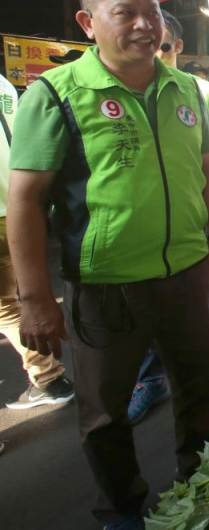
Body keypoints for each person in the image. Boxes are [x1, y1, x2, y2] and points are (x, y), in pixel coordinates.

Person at [8, 0, 209, 529]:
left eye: (151, 12)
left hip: (185, 275)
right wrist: (35, 298)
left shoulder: (187, 90)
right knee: (104, 416)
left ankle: (202, 489)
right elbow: (26, 200)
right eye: (124, 12)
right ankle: (122, 511)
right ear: (88, 21)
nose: (143, 25)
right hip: (106, 287)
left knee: (201, 390)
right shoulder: (56, 95)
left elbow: (206, 171)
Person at [124, 11, 209, 424]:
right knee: (143, 316)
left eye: (164, 44)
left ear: (177, 47)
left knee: (201, 310)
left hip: (190, 233)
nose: (153, 50)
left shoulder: (198, 91)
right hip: (134, 242)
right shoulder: (115, 93)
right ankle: (151, 379)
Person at [0, 73, 76, 412]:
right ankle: (47, 376)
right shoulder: (4, 85)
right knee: (9, 304)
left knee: (7, 306)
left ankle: (47, 376)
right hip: (11, 205)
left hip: (14, 205)